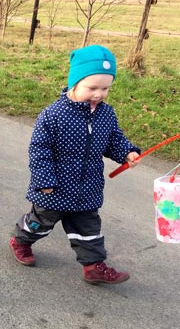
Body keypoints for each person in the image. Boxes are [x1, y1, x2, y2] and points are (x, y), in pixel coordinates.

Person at [9, 44, 140, 285]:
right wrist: (44, 181)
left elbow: (113, 139)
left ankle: (93, 266)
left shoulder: (106, 114)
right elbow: (39, 150)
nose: (98, 94)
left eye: (105, 88)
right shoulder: (53, 115)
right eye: (92, 88)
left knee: (89, 231)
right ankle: (20, 241)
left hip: (86, 190)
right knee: (40, 225)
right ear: (74, 83)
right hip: (54, 189)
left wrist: (127, 153)